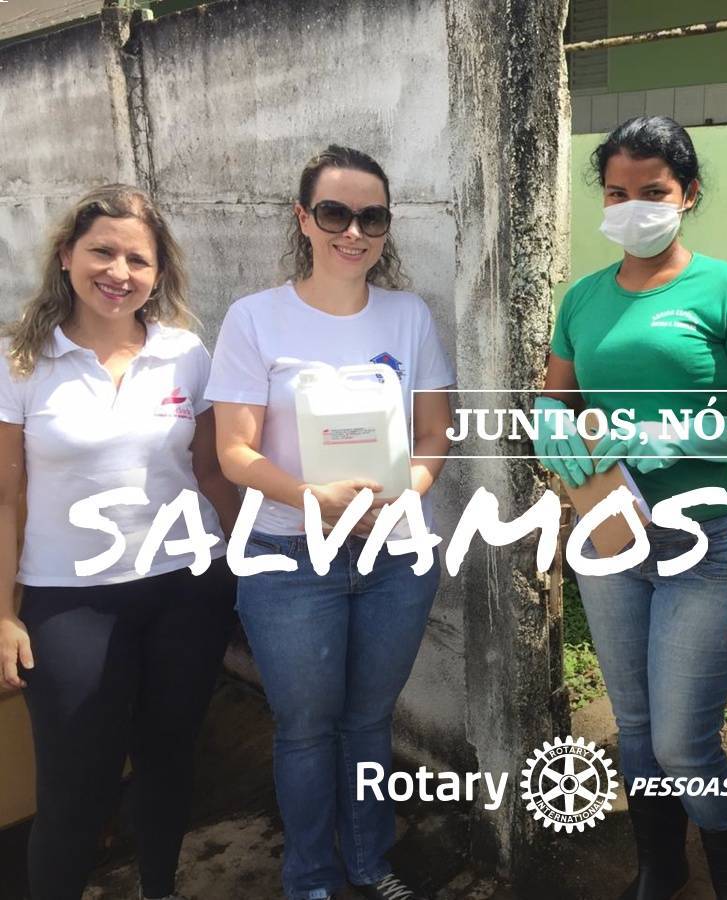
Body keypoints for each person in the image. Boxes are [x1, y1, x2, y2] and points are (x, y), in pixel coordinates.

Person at [535, 115, 727, 899]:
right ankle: (660, 867)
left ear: (689, 194)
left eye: (653, 191)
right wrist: (550, 427)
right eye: (617, 192)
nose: (632, 206)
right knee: (635, 727)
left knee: (683, 740)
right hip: (613, 533)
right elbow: (556, 397)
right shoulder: (582, 300)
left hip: (711, 543)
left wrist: (682, 431)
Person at [206, 145, 454, 900]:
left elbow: (435, 436)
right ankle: (311, 877)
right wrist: (314, 499)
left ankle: (371, 861)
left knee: (369, 722)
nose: (354, 231)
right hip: (288, 554)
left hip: (394, 557)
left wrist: (399, 492)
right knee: (307, 729)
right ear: (303, 218)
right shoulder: (256, 319)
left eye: (371, 216)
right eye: (335, 213)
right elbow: (235, 452)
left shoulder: (408, 316)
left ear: (386, 225)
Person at [0, 184, 240, 900]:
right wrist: (5, 614)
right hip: (68, 601)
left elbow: (207, 470)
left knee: (169, 765)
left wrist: (253, 556)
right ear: (67, 255)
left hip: (187, 589)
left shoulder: (185, 354)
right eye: (102, 250)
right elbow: (6, 495)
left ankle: (159, 888)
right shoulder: (22, 361)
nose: (119, 271)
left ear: (158, 273)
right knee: (76, 790)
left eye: (138, 258)